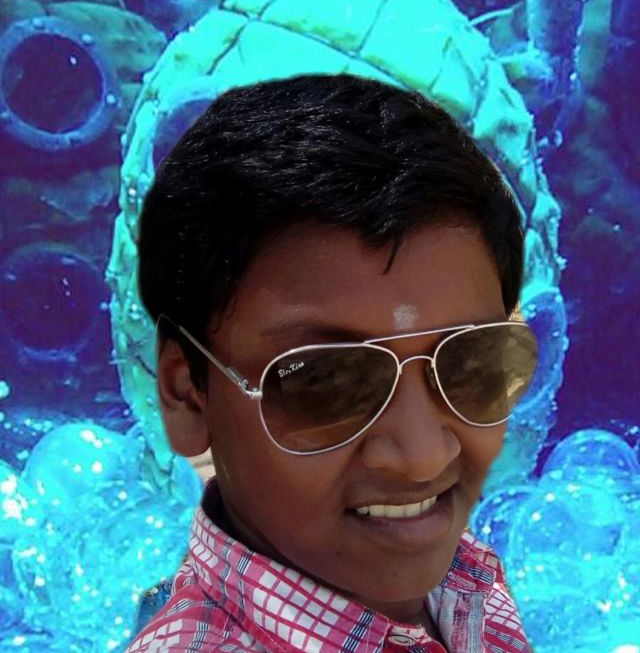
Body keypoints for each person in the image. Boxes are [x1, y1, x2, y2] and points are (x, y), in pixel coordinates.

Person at [126, 73, 536, 652]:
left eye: (470, 364)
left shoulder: (465, 587)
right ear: (188, 395)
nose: (425, 456)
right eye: (324, 382)